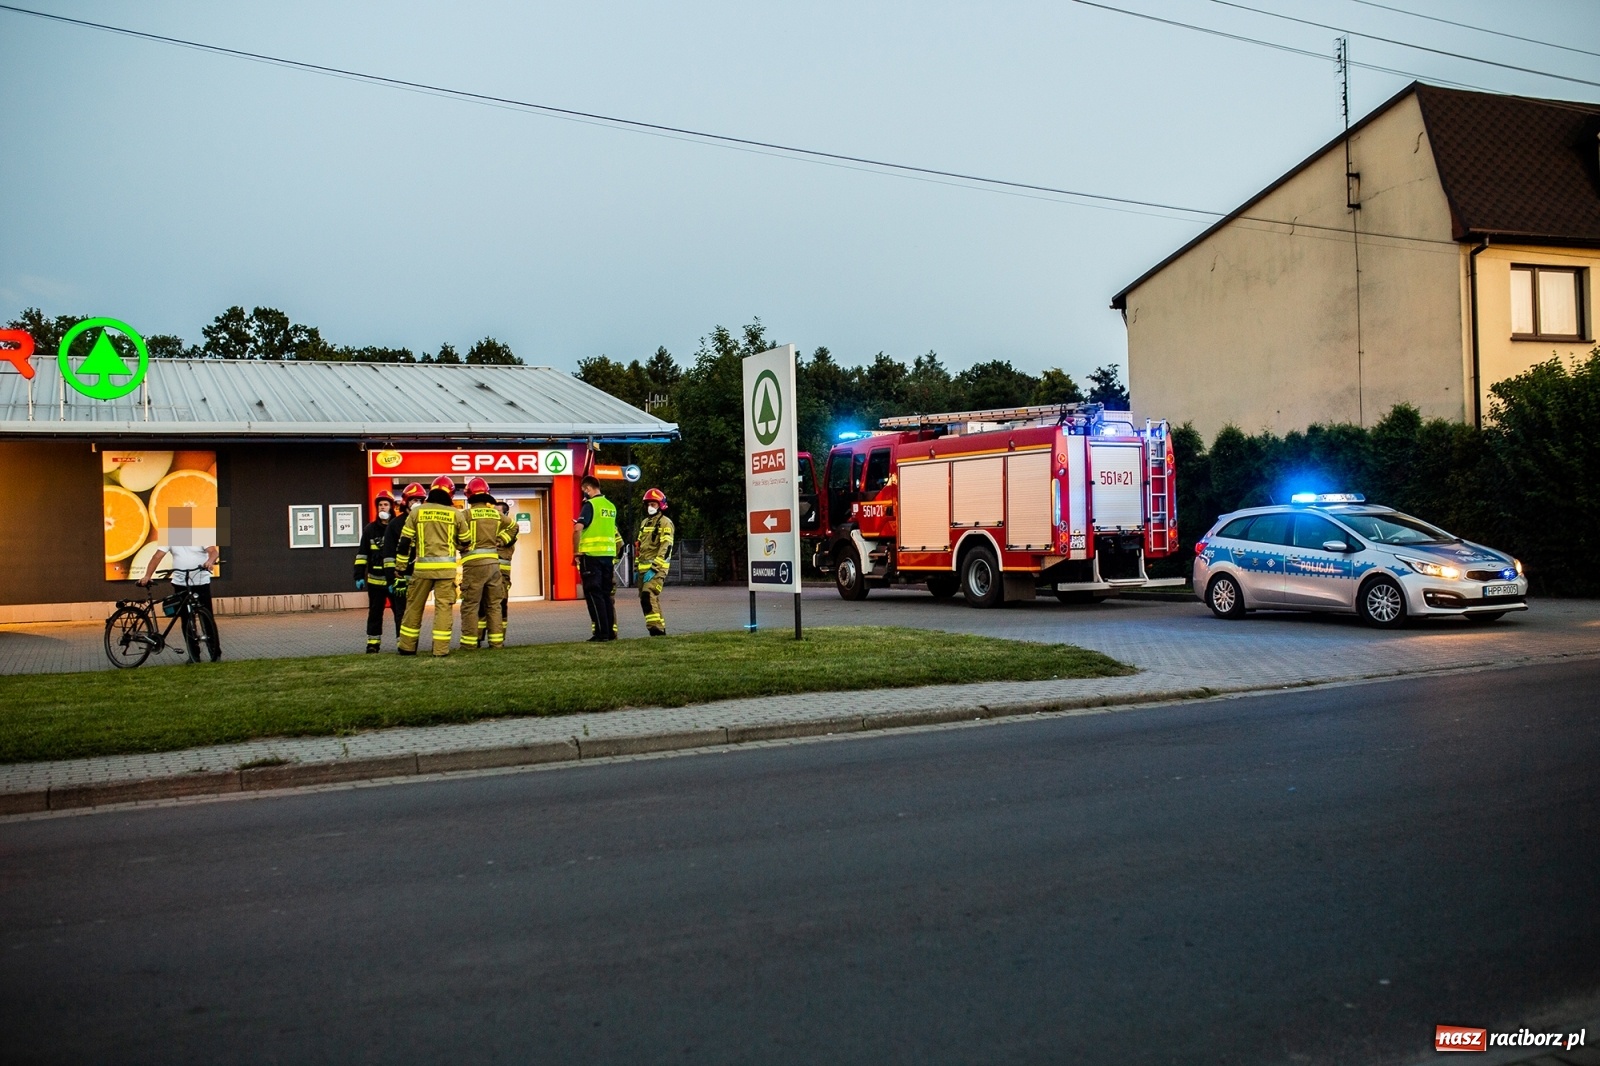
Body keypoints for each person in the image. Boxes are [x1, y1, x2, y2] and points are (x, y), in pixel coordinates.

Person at [395, 475, 471, 656]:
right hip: (446, 572)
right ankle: (440, 650)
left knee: (414, 607)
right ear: (450, 494)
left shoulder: (417, 512)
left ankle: (407, 647)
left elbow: (404, 542)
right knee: (443, 609)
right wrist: (456, 543)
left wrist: (400, 567)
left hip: (422, 570)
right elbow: (466, 541)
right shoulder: (455, 514)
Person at [458, 478, 516, 650]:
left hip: (473, 566)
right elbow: (514, 527)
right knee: (494, 605)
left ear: (469, 495)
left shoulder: (465, 515)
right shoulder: (496, 515)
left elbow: (454, 534)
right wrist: (500, 540)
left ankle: (469, 644)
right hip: (493, 565)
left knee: (471, 605)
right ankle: (496, 642)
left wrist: (460, 546)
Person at [138, 538, 222, 654]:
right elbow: (157, 556)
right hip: (181, 583)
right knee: (186, 620)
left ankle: (215, 652)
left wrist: (210, 561)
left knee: (207, 619)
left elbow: (213, 552)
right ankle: (193, 654)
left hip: (200, 582)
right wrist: (147, 576)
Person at [573, 474, 618, 641]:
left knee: (593, 594)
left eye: (583, 490)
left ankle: (601, 633)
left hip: (591, 557)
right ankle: (610, 632)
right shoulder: (611, 506)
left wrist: (576, 552)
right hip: (608, 556)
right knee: (606, 595)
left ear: (588, 488)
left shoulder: (590, 505)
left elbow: (578, 528)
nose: (583, 493)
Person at [355, 491, 399, 653]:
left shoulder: (397, 527)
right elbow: (362, 554)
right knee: (374, 613)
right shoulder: (370, 530)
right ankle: (373, 644)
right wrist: (359, 575)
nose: (382, 507)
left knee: (400, 613)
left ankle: (403, 642)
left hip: (395, 580)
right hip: (375, 582)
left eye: (386, 504)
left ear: (391, 507)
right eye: (380, 505)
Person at [476, 498, 518, 648]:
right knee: (481, 604)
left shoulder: (509, 529)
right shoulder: (490, 527)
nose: (495, 515)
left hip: (502, 575)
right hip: (486, 570)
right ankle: (477, 638)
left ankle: (498, 639)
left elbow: (504, 541)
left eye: (499, 512)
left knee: (500, 604)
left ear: (506, 514)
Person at [633, 487, 675, 636]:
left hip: (657, 569)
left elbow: (666, 547)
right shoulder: (645, 523)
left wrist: (655, 567)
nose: (650, 507)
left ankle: (655, 630)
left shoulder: (665, 523)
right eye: (648, 504)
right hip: (643, 569)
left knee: (648, 595)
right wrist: (636, 567)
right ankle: (660, 629)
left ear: (661, 505)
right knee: (648, 599)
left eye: (653, 504)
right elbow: (639, 546)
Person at [384, 482, 427, 623]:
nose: (417, 503)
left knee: (416, 613)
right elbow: (388, 553)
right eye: (414, 500)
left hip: (421, 576)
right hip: (401, 578)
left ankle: (412, 637)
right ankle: (401, 636)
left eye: (420, 500)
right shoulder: (395, 524)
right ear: (406, 501)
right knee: (401, 613)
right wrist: (391, 579)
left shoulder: (425, 523)